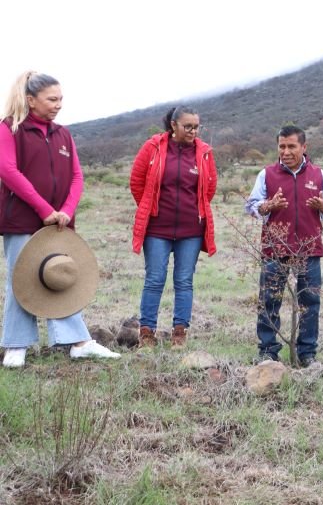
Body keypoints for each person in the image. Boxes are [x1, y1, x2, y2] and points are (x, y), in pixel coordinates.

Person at [0, 71, 121, 367]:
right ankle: (16, 345)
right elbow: (8, 171)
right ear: (31, 100)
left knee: (60, 274)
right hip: (21, 218)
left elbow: (77, 176)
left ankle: (78, 341)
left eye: (61, 99)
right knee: (22, 277)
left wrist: (66, 209)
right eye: (52, 99)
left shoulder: (63, 133)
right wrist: (43, 209)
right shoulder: (9, 129)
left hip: (59, 223)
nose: (59, 105)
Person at [245, 125, 323, 366]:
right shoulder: (266, 174)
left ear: (304, 147)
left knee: (310, 301)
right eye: (281, 146)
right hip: (274, 249)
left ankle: (307, 353)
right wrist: (267, 206)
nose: (285, 152)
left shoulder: (320, 175)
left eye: (291, 146)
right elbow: (251, 206)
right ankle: (268, 350)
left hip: (308, 249)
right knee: (269, 300)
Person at [130, 106, 217, 349]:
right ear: (173, 126)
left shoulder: (204, 153)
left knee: (184, 281)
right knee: (155, 279)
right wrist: (150, 207)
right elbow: (137, 182)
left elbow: (209, 188)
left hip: (191, 229)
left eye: (196, 127)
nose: (193, 131)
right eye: (187, 126)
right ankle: (147, 334)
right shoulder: (153, 147)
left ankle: (179, 333)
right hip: (157, 228)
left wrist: (194, 209)